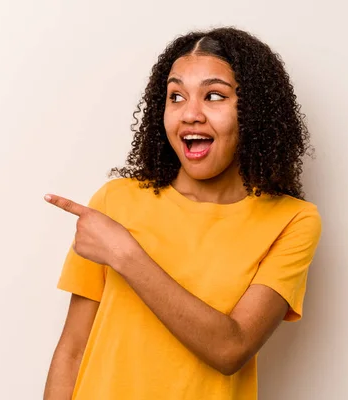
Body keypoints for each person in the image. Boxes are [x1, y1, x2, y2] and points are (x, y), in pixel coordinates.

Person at [42, 26, 322, 400]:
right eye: (176, 96)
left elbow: (231, 349)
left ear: (253, 112)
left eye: (214, 96)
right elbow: (72, 349)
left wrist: (125, 255)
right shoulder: (115, 202)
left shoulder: (292, 221)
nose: (190, 114)